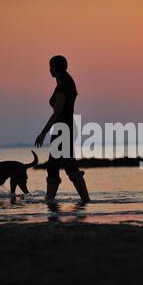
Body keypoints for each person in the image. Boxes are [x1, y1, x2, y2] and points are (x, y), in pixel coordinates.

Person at [35, 55, 90, 203]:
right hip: (65, 129)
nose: (49, 69)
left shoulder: (63, 87)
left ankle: (53, 200)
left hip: (62, 131)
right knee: (62, 166)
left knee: (63, 167)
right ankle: (53, 200)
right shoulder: (66, 84)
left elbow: (57, 113)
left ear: (56, 68)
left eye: (51, 66)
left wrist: (43, 133)